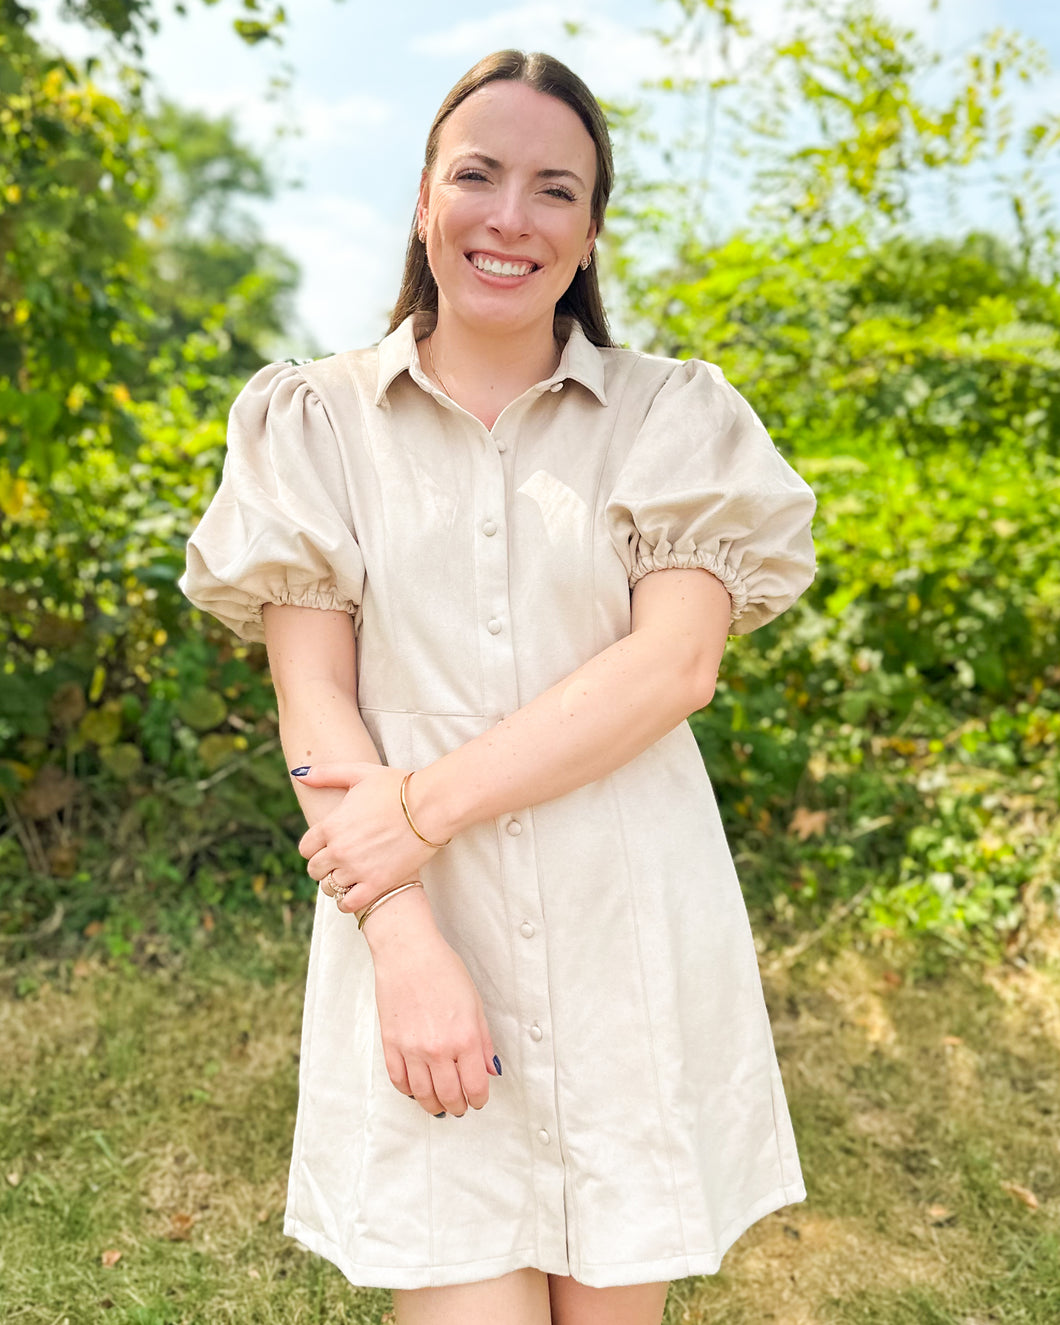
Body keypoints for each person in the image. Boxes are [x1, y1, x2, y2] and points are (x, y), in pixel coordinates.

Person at [179, 48, 816, 1325]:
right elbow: (316, 705)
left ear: (589, 232)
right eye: (477, 174)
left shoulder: (674, 417)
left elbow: (673, 666)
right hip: (422, 929)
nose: (509, 217)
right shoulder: (313, 420)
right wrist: (404, 934)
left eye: (553, 189)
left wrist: (415, 805)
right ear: (425, 197)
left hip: (621, 932)